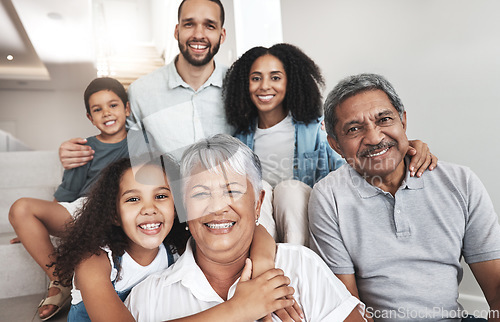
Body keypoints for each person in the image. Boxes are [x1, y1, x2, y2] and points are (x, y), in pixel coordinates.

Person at [308, 73, 500, 321]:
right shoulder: (328, 197)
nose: (375, 138)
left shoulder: (461, 182)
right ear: (335, 145)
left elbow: (496, 288)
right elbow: (348, 309)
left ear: (403, 121)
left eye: (384, 119)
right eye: (354, 129)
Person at [125, 134, 366, 321]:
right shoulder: (147, 297)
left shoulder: (301, 266)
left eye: (232, 191)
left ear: (258, 203)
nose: (218, 207)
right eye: (200, 193)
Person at [223, 43, 437, 245]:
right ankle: (263, 264)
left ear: (291, 82)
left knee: (289, 190)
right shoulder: (238, 140)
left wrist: (407, 148)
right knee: (259, 190)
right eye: (256, 78)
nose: (265, 86)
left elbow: (353, 163)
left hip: (304, 220)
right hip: (263, 224)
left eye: (276, 77)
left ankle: (298, 263)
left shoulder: (316, 129)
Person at [53, 156, 299, 322]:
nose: (149, 209)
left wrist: (264, 265)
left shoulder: (176, 246)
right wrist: (238, 308)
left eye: (161, 196)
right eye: (133, 199)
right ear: (114, 214)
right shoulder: (94, 261)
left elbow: (254, 229)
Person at [8, 77, 130, 321]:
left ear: (127, 109)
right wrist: (34, 227)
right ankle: (61, 278)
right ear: (89, 117)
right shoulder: (83, 148)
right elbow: (66, 195)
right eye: (98, 109)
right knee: (20, 209)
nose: (106, 113)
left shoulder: (142, 141)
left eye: (113, 105)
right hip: (81, 209)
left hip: (119, 211)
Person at [58, 0, 232, 166]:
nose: (198, 34)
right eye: (189, 24)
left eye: (210, 25)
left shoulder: (239, 86)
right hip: (167, 194)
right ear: (176, 31)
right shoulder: (140, 92)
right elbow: (117, 144)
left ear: (222, 35)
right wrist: (76, 152)